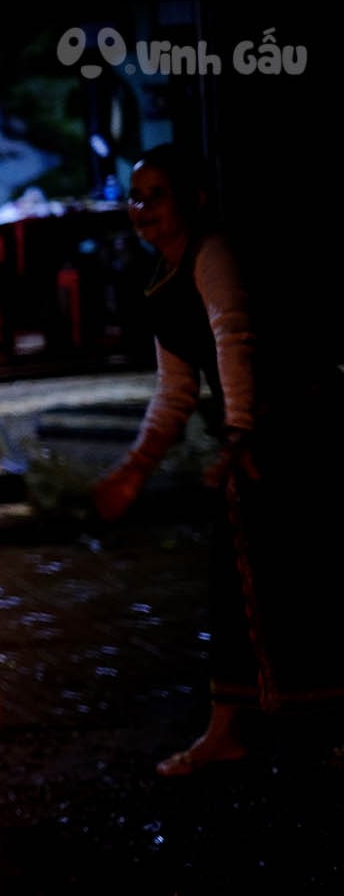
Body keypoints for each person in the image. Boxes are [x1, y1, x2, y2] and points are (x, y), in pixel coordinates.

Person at [94, 142, 344, 777]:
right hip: (257, 437)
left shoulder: (214, 254)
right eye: (135, 197)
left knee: (306, 576)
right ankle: (228, 728)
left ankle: (323, 722)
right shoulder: (162, 281)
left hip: (298, 429)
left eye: (157, 195)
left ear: (195, 199)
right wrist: (135, 467)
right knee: (236, 580)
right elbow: (176, 389)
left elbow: (235, 338)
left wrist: (240, 435)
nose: (142, 209)